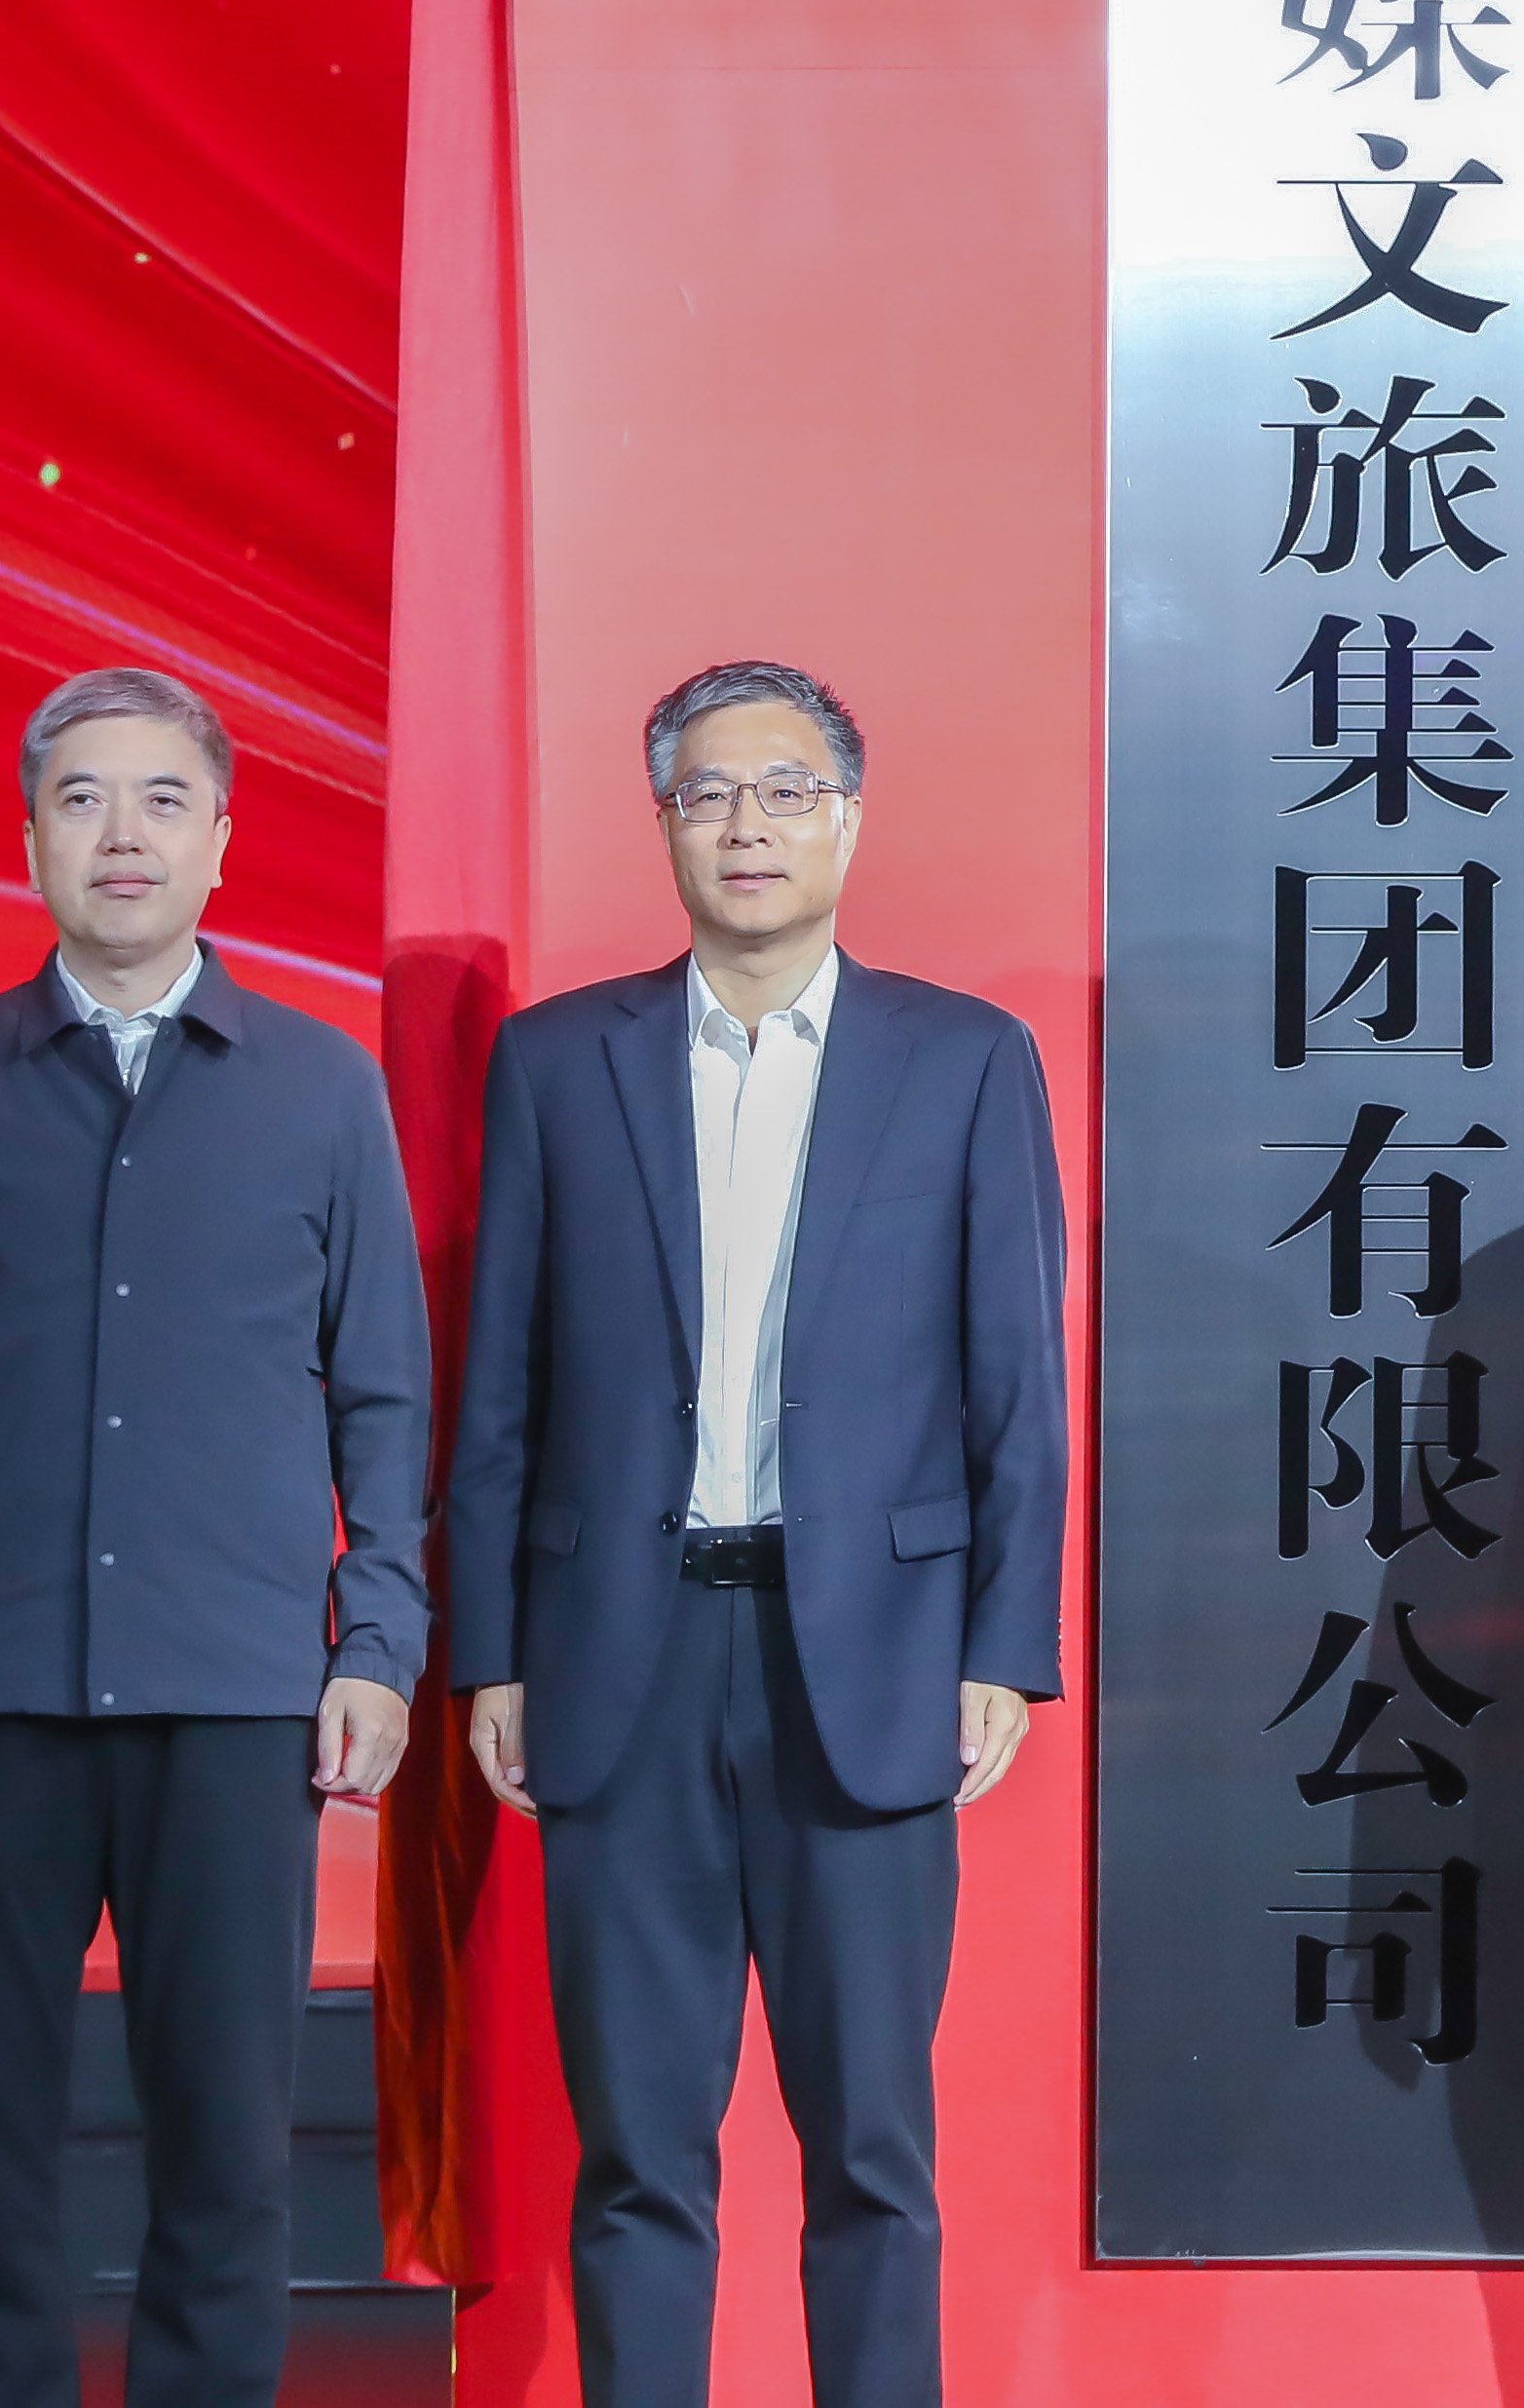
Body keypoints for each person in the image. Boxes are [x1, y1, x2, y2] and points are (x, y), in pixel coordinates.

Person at [0, 670, 430, 2408]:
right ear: (29, 841)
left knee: (226, 2141)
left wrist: (377, 1639)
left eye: (161, 798)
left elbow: (386, 1393)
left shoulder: (321, 1088)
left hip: (232, 1692)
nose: (121, 834)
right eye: (81, 798)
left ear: (221, 840)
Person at [444, 660, 1066, 2408]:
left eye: (786, 789)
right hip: (617, 1652)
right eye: (709, 791)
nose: (747, 823)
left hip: (864, 1655)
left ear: (846, 820)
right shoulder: (559, 1060)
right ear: (663, 822)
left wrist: (1004, 1642)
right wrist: (489, 1650)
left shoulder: (961, 1059)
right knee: (638, 2150)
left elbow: (1018, 1380)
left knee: (872, 2147)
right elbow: (500, 1381)